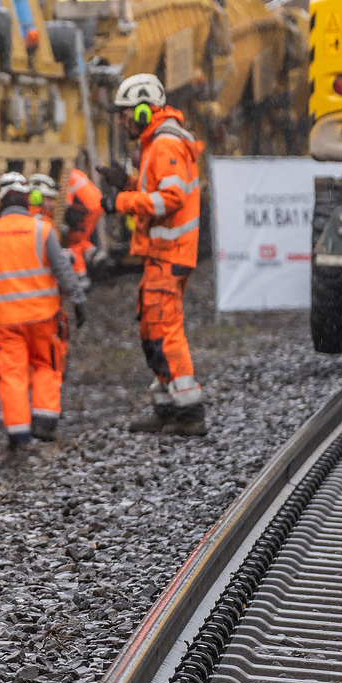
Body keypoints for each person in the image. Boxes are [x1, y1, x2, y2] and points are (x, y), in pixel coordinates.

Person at [108, 74, 207, 435]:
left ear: (144, 112)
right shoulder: (158, 143)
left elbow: (170, 199)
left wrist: (120, 201)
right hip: (162, 254)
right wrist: (128, 184)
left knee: (165, 329)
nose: (123, 123)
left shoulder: (164, 144)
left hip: (169, 253)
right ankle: (167, 406)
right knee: (153, 327)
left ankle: (190, 411)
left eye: (126, 116)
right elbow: (158, 190)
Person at [0, 171, 86, 452]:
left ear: (1, 200)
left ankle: (18, 434)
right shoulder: (42, 230)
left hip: (5, 321)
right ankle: (45, 422)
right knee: (46, 366)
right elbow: (62, 269)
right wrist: (78, 300)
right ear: (26, 199)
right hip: (44, 317)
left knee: (12, 374)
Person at [60, 164, 104, 277]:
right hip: (97, 204)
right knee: (82, 236)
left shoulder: (64, 177)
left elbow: (66, 203)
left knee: (73, 241)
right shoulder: (75, 172)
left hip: (87, 208)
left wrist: (63, 222)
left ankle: (80, 274)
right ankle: (92, 252)